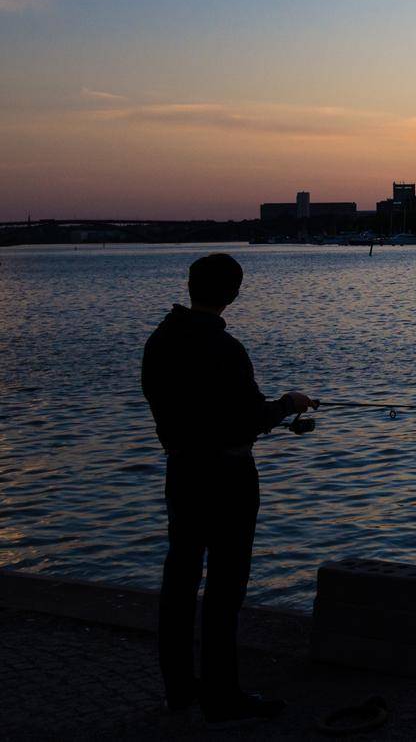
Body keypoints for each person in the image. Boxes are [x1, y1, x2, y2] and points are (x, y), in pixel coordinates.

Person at [141, 253, 316, 726]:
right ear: (233, 292)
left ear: (192, 285)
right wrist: (288, 405)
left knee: (178, 583)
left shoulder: (159, 342)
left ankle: (178, 691)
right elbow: (246, 418)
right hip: (228, 477)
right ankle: (222, 695)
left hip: (181, 471)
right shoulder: (225, 349)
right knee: (223, 588)